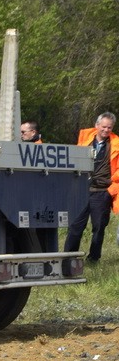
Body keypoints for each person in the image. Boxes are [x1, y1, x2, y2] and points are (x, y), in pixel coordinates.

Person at [64, 112, 119, 262]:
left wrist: (110, 191)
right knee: (75, 226)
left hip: (102, 192)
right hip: (81, 190)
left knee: (99, 227)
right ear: (96, 126)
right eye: (103, 127)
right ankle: (69, 257)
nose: (106, 130)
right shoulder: (85, 141)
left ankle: (94, 259)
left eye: (109, 127)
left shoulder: (115, 145)